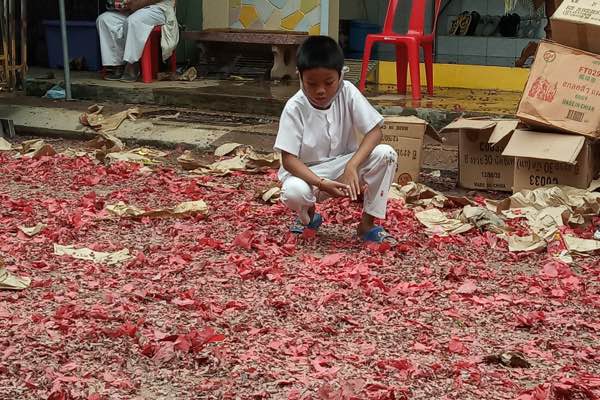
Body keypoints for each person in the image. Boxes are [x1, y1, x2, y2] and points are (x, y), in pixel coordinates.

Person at [275, 35, 398, 244]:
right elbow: (289, 160)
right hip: (308, 173)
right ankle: (310, 216)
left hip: (344, 166)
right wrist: (321, 183)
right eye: (311, 83)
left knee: (386, 155)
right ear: (300, 77)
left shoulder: (348, 92)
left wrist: (352, 165)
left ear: (340, 75)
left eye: (329, 82)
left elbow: (375, 132)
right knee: (293, 192)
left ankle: (367, 224)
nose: (320, 90)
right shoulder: (295, 107)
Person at [96, 0, 178, 82]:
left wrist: (137, 3)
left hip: (158, 8)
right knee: (104, 20)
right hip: (133, 9)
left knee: (133, 21)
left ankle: (131, 64)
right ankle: (118, 64)